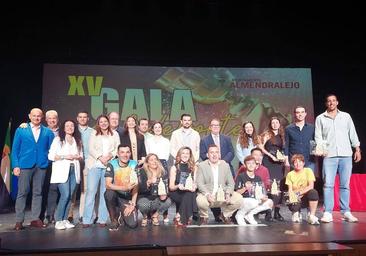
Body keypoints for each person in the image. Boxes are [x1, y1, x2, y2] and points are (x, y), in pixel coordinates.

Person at [315, 94, 361, 223]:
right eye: (329, 101)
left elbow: (352, 132)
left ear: (337, 103)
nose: (331, 103)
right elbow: (318, 137)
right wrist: (321, 150)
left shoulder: (346, 116)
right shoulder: (320, 118)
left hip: (346, 154)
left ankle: (346, 211)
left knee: (345, 185)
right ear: (326, 104)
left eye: (333, 101)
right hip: (329, 155)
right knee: (328, 185)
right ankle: (328, 212)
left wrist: (357, 149)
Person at [11, 108, 55, 230]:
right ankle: (19, 220)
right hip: (25, 165)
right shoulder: (21, 130)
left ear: (42, 117)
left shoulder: (47, 132)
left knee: (38, 192)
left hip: (41, 166)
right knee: (22, 192)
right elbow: (15, 150)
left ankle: (35, 219)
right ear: (30, 116)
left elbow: (52, 149)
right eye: (34, 116)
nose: (36, 118)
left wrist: (47, 160)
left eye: (39, 116)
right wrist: (15, 165)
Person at [82, 115, 120, 228]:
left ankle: (102, 219)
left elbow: (117, 148)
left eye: (105, 121)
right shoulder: (94, 133)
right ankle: (87, 220)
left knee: (105, 193)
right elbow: (90, 148)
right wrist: (100, 157)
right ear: (98, 123)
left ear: (108, 122)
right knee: (91, 192)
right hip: (94, 165)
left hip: (108, 166)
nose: (103, 123)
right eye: (101, 122)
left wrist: (110, 156)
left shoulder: (115, 134)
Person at [48, 120, 83, 230]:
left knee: (71, 195)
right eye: (67, 125)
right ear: (63, 128)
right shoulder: (58, 140)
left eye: (72, 126)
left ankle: (65, 219)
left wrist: (78, 156)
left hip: (74, 169)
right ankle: (58, 220)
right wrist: (65, 156)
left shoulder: (77, 140)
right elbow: (51, 156)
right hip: (62, 170)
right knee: (65, 194)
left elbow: (81, 155)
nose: (70, 127)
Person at [196, 144, 242, 225]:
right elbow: (200, 183)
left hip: (223, 196)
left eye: (216, 152)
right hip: (208, 196)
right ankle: (204, 217)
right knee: (200, 200)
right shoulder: (202, 166)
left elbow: (231, 182)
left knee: (239, 199)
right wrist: (207, 195)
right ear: (207, 155)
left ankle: (224, 215)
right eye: (212, 152)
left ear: (219, 154)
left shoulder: (225, 165)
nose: (214, 155)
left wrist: (228, 194)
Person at [200, 118, 235, 222]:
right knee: (214, 189)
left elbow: (231, 152)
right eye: (213, 125)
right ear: (210, 127)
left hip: (225, 168)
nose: (215, 127)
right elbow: (202, 154)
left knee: (228, 190)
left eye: (217, 125)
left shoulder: (227, 138)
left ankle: (227, 214)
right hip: (211, 169)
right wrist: (213, 162)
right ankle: (217, 214)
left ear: (220, 127)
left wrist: (222, 163)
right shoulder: (204, 140)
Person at [68, 110, 96, 223]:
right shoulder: (72, 130)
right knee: (72, 190)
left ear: (88, 119)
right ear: (77, 118)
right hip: (74, 162)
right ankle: (69, 215)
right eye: (80, 117)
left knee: (85, 190)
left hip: (87, 163)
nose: (83, 119)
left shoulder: (93, 131)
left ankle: (83, 214)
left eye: (85, 117)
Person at [104, 144, 139, 231]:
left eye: (127, 152)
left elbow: (136, 185)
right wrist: (124, 188)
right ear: (118, 154)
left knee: (132, 224)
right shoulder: (111, 164)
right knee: (108, 193)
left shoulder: (134, 164)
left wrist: (132, 204)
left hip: (128, 197)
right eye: (122, 152)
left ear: (130, 153)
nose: (125, 155)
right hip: (116, 195)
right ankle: (114, 220)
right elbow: (108, 184)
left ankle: (121, 214)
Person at [235, 147, 273, 221]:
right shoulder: (242, 170)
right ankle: (241, 214)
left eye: (260, 155)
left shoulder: (262, 172)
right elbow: (236, 187)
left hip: (257, 196)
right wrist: (245, 187)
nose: (258, 157)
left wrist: (264, 195)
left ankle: (251, 214)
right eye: (255, 155)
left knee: (269, 202)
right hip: (245, 197)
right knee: (253, 202)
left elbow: (265, 185)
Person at [260, 117, 286, 221]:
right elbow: (261, 147)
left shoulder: (282, 136)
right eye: (273, 122)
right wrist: (270, 156)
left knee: (279, 187)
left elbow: (283, 149)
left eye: (276, 122)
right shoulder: (267, 134)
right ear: (270, 124)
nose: (275, 124)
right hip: (268, 161)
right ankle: (268, 213)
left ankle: (277, 212)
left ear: (279, 124)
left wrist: (283, 157)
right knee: (269, 186)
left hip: (278, 164)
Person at [145, 121, 171, 223]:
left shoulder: (166, 140)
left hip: (162, 163)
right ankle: (150, 213)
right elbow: (148, 153)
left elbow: (167, 154)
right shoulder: (148, 140)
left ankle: (165, 215)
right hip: (151, 163)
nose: (158, 129)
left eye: (159, 127)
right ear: (153, 129)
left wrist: (159, 163)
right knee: (152, 188)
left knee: (163, 189)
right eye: (155, 127)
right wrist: (152, 162)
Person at [137, 153, 171, 226]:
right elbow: (140, 190)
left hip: (157, 199)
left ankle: (155, 215)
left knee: (168, 201)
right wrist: (147, 185)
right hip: (146, 198)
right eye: (151, 160)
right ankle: (145, 216)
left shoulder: (163, 172)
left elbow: (167, 188)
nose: (154, 161)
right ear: (147, 163)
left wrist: (165, 194)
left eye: (156, 159)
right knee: (143, 204)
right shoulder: (143, 172)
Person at [285, 154, 320, 225]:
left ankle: (312, 215)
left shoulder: (308, 171)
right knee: (295, 220)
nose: (298, 164)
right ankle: (296, 212)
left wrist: (299, 193)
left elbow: (311, 186)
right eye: (295, 162)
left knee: (313, 192)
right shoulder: (290, 174)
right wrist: (293, 196)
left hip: (304, 196)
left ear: (303, 163)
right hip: (296, 198)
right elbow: (290, 190)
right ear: (293, 164)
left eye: (300, 162)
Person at [169, 146, 198, 226]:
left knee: (190, 193)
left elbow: (195, 182)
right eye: (183, 153)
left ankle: (179, 216)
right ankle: (190, 216)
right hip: (177, 192)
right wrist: (178, 186)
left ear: (190, 155)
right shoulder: (174, 167)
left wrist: (194, 187)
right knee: (189, 195)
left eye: (187, 153)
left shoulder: (194, 167)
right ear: (179, 155)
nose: (185, 155)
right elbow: (171, 187)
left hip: (189, 191)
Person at [40, 110, 60, 224]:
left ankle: (51, 215)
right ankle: (40, 216)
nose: (52, 120)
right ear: (46, 120)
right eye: (50, 118)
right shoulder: (42, 131)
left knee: (53, 189)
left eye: (54, 118)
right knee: (42, 189)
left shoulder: (62, 132)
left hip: (57, 165)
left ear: (57, 119)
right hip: (44, 164)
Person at [284, 106, 316, 171]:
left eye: (302, 112)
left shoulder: (312, 128)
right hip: (294, 161)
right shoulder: (288, 129)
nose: (300, 114)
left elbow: (314, 142)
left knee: (309, 181)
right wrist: (286, 160)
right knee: (296, 181)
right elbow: (286, 145)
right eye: (298, 112)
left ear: (305, 114)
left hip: (309, 161)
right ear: (295, 114)